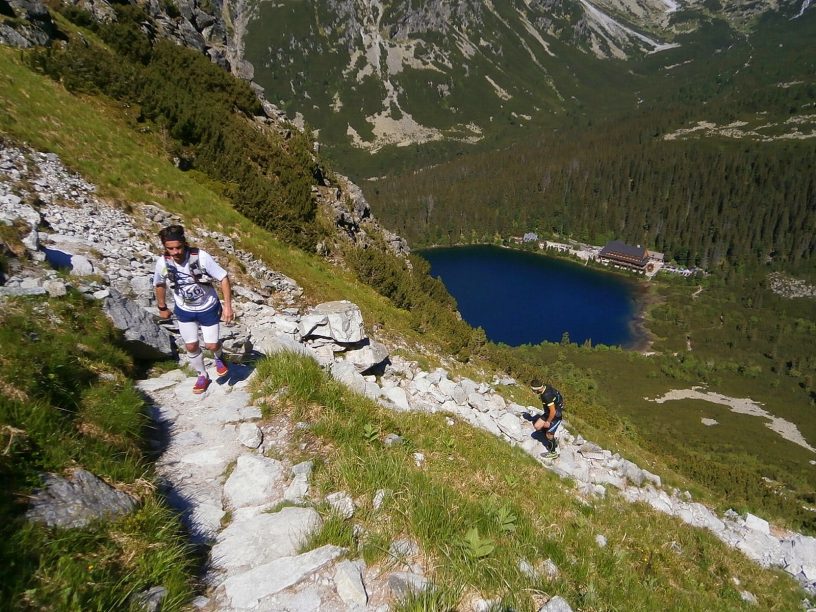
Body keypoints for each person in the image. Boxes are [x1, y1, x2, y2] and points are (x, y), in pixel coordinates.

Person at [153, 224, 234, 394]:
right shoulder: (163, 262)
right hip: (184, 309)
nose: (175, 252)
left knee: (211, 345)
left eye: (178, 247)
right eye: (170, 249)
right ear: (165, 247)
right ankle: (202, 375)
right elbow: (159, 284)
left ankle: (219, 357)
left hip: (208, 307)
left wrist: (227, 307)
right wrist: (162, 306)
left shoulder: (201, 257)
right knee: (191, 346)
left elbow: (223, 277)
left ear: (184, 243)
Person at [530, 380, 564, 458]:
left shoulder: (547, 396)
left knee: (549, 434)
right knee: (537, 426)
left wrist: (548, 422)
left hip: (556, 416)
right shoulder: (545, 386)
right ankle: (551, 439)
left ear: (537, 389)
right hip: (549, 413)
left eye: (533, 390)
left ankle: (553, 452)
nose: (533, 391)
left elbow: (553, 411)